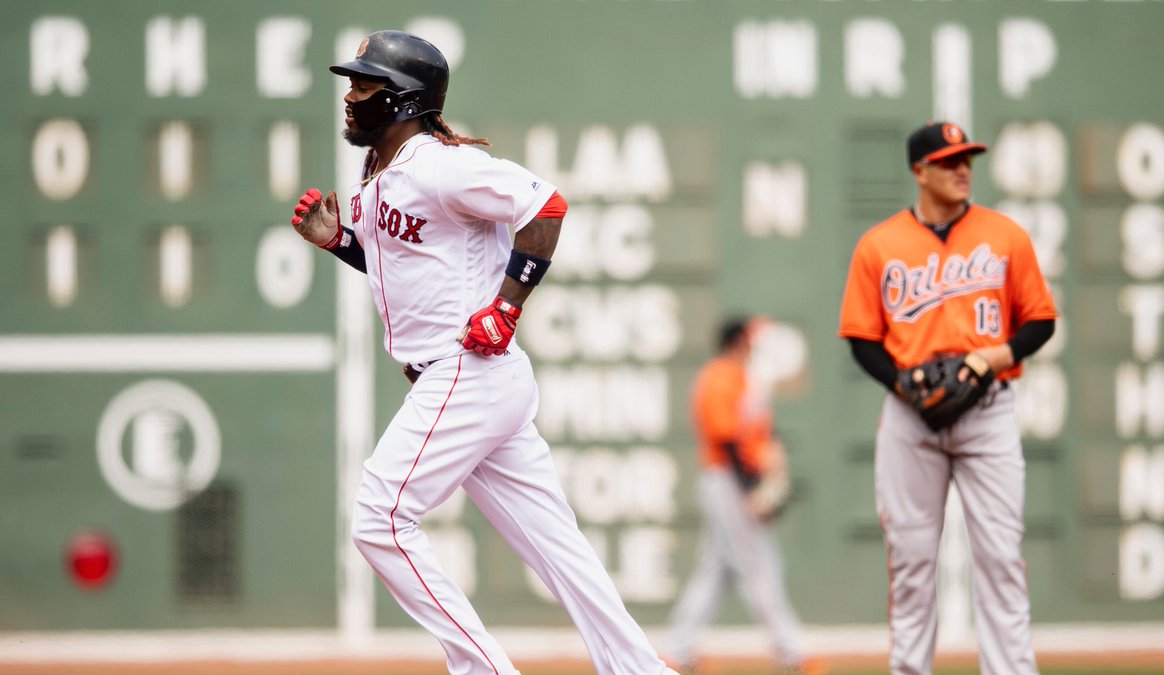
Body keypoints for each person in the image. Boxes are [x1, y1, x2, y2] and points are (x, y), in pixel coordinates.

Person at [289, 30, 677, 675]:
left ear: (404, 98)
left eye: (365, 83)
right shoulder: (378, 177)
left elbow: (544, 206)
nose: (351, 96)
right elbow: (408, 267)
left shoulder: (439, 163)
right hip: (473, 380)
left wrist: (507, 305)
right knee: (558, 549)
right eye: (353, 82)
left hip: (464, 370)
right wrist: (340, 245)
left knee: (379, 519)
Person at [837, 121, 1058, 675]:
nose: (963, 170)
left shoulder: (1004, 235)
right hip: (911, 422)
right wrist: (901, 384)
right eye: (949, 161)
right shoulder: (880, 245)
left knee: (1001, 559)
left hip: (989, 410)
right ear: (920, 170)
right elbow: (862, 340)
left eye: (968, 160)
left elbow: (1040, 323)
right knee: (911, 565)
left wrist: (986, 360)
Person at [664, 316, 825, 675]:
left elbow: (760, 434)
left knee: (715, 572)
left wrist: (769, 474)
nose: (756, 347)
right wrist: (752, 488)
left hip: (734, 480)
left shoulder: (743, 379)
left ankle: (676, 651)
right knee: (761, 567)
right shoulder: (720, 376)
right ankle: (793, 653)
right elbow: (726, 438)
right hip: (728, 480)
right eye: (752, 340)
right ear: (738, 341)